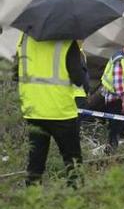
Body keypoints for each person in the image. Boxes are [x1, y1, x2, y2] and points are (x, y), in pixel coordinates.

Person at [15, 33, 87, 186]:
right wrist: (82, 64)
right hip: (60, 112)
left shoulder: (25, 39)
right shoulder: (68, 42)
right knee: (72, 160)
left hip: (33, 109)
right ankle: (77, 199)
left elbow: (16, 73)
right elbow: (78, 79)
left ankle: (32, 202)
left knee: (35, 161)